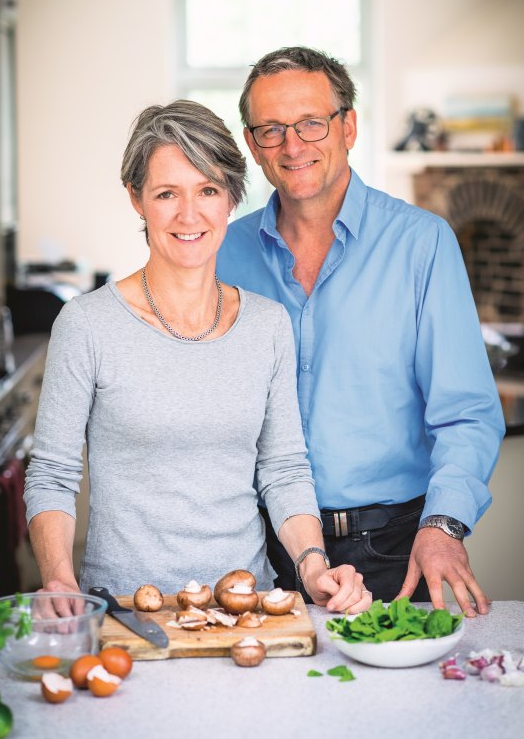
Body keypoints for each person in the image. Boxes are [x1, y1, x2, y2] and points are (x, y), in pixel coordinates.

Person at [24, 99, 370, 615]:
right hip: (125, 610)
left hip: (246, 607)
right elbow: (52, 473)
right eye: (167, 193)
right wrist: (57, 578)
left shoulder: (267, 324)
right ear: (136, 200)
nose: (189, 215)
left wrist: (315, 567)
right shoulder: (87, 324)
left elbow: (283, 469)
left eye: (208, 190)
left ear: (231, 197)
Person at [217, 46, 506, 617]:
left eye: (310, 123)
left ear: (348, 126)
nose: (292, 146)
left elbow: (467, 412)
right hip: (253, 544)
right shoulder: (222, 254)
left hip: (393, 546)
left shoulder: (422, 244)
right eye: (271, 130)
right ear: (252, 145)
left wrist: (443, 526)